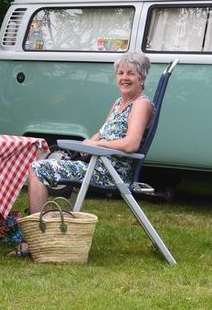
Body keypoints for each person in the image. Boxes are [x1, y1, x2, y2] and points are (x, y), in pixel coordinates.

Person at [27, 51, 154, 215]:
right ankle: (38, 231)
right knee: (38, 167)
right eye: (120, 73)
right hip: (96, 165)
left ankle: (33, 236)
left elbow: (131, 144)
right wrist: (89, 142)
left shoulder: (140, 104)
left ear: (142, 79)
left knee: (38, 168)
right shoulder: (119, 103)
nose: (124, 78)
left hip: (110, 173)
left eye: (131, 74)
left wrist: (96, 144)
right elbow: (102, 132)